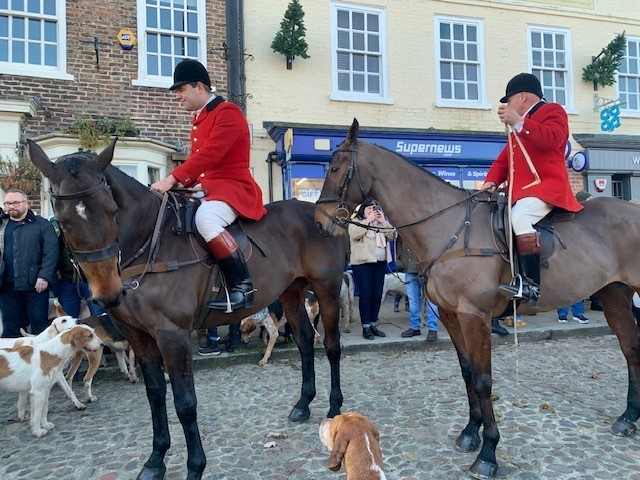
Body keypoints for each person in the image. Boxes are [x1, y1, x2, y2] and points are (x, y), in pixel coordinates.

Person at [150, 59, 266, 312]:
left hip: (232, 188)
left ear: (199, 87)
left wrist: (172, 178)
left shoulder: (228, 112)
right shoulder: (200, 118)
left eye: (181, 90)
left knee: (205, 220)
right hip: (209, 188)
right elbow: (199, 166)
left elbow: (210, 154)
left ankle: (243, 287)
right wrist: (176, 186)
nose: (178, 96)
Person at [482, 73, 583, 306]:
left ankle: (530, 286)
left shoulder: (553, 111)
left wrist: (518, 121)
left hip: (546, 187)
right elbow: (503, 161)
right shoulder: (518, 126)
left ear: (523, 96)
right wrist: (491, 182)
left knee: (520, 216)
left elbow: (554, 139)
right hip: (521, 191)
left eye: (509, 99)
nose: (506, 105)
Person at [0, 189, 58, 337]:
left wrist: (44, 276)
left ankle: (43, 359)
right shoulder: (2, 225)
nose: (11, 206)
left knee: (39, 325)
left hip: (35, 285)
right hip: (7, 286)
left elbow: (51, 253)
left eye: (15, 203)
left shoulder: (42, 225)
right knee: (11, 326)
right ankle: (14, 359)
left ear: (26, 203)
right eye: (8, 203)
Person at [348, 198, 395, 340]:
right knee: (366, 295)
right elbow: (354, 234)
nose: (372, 211)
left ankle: (374, 324)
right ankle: (366, 327)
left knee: (377, 295)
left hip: (379, 263)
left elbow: (392, 236)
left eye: (374, 208)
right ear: (363, 209)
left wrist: (383, 222)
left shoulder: (380, 222)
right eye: (369, 208)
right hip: (362, 263)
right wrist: (368, 220)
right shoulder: (356, 220)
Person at [50, 218, 105, 318]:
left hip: (91, 279)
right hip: (67, 279)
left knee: (99, 317)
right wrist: (56, 269)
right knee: (67, 319)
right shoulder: (59, 228)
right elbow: (54, 250)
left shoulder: (94, 227)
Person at [396, 237, 439, 342]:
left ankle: (432, 328)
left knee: (431, 299)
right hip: (410, 266)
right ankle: (414, 327)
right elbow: (399, 240)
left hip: (427, 267)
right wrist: (401, 255)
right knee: (413, 299)